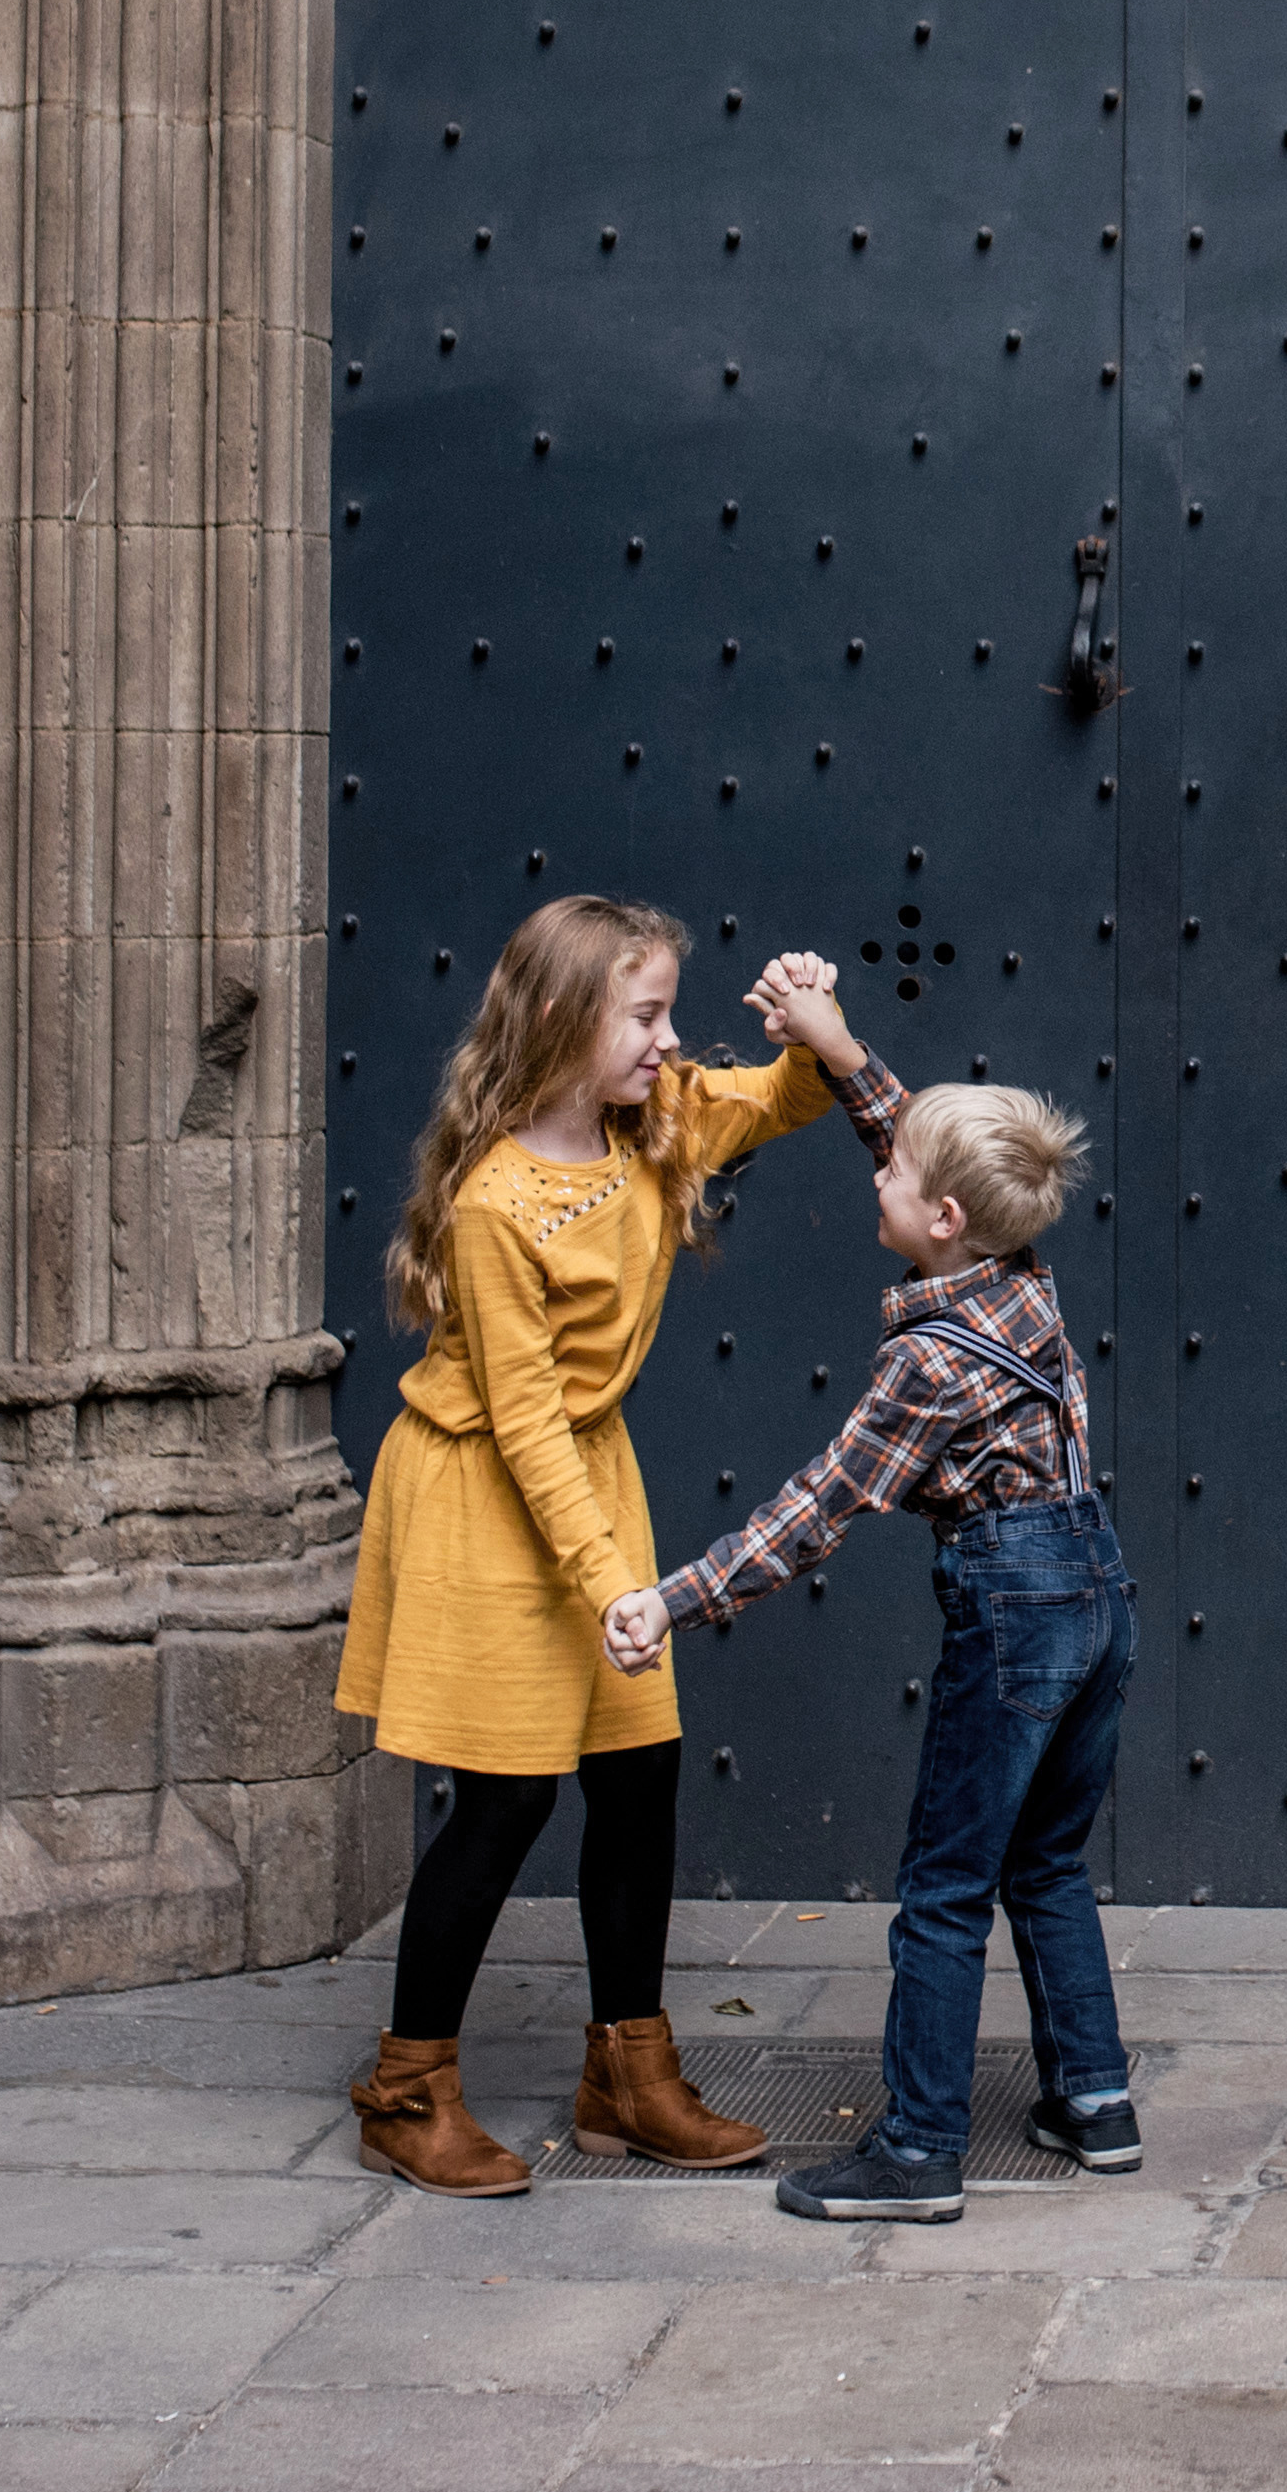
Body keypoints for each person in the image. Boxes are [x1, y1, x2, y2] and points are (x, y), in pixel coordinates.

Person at [336, 897, 890, 2194]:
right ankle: (405, 2088)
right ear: (553, 1022)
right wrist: (615, 1592)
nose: (667, 1037)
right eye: (641, 1014)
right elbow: (521, 1423)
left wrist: (816, 1032)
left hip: (587, 1478)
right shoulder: (494, 1204)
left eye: (667, 1012)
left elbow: (779, 1098)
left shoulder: (658, 1123)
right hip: (487, 1495)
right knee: (507, 1793)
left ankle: (625, 2078)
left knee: (637, 1775)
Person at [611, 1071, 1134, 2226]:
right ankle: (1094, 2098)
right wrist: (842, 1055)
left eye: (891, 1169)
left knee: (944, 1886)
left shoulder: (926, 1362)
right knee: (1045, 1858)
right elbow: (929, 1155)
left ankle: (916, 2149)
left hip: (1014, 1605)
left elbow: (819, 1508)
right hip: (1098, 1590)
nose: (877, 1169)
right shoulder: (1021, 1280)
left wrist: (674, 1599)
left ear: (943, 1219)